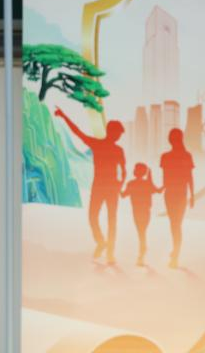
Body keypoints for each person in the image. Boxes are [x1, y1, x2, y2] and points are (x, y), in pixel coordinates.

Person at [53, 107, 127, 265]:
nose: (119, 137)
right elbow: (77, 132)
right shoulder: (98, 145)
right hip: (101, 187)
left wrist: (119, 186)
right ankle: (101, 242)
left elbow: (124, 171)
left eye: (120, 135)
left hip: (108, 188)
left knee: (109, 220)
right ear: (112, 132)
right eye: (118, 133)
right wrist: (64, 115)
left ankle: (110, 253)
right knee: (94, 217)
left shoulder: (117, 150)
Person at [159, 127, 196, 269]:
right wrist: (192, 195)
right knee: (176, 224)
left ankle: (175, 254)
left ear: (170, 140)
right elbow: (189, 177)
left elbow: (165, 178)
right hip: (180, 193)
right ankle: (175, 251)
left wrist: (161, 189)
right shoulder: (186, 155)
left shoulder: (165, 156)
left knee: (174, 224)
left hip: (171, 193)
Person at [121, 162, 162, 266]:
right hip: (145, 211)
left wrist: (117, 185)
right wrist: (152, 179)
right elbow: (158, 191)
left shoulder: (131, 183)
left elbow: (123, 195)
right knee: (142, 231)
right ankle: (142, 250)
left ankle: (142, 252)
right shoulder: (147, 183)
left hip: (137, 211)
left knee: (141, 231)